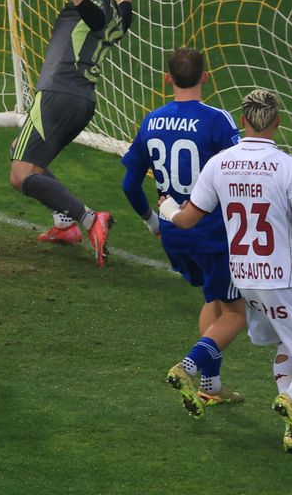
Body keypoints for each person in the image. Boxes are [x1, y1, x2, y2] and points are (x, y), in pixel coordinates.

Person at [158, 88, 292, 452]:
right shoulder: (288, 165)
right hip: (284, 278)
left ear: (242, 121)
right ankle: (291, 399)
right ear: (277, 122)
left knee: (288, 341)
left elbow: (188, 220)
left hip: (244, 278)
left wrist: (167, 211)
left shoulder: (220, 163)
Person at [121, 47, 246, 414]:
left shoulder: (151, 121)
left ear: (168, 78)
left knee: (213, 299)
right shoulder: (218, 121)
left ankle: (212, 386)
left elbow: (129, 185)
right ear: (206, 77)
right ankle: (187, 367)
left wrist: (152, 223)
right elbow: (240, 172)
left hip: (172, 231)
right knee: (238, 312)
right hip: (211, 232)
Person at [9, 0, 136, 266]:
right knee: (22, 154)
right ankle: (65, 224)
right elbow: (123, 14)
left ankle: (90, 219)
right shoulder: (119, 19)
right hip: (82, 100)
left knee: (20, 174)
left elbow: (92, 16)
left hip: (58, 93)